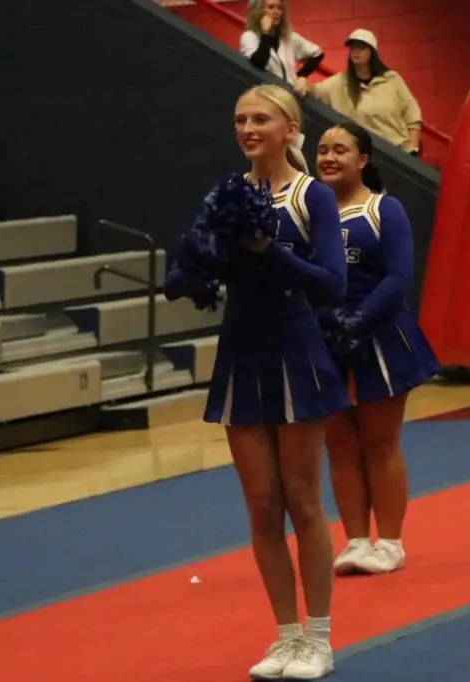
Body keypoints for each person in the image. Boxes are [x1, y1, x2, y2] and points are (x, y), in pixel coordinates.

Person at [164, 84, 348, 680]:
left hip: (296, 350)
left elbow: (333, 284)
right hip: (242, 354)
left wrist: (270, 251)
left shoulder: (312, 196)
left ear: (290, 128)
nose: (247, 128)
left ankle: (319, 638)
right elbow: (193, 270)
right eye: (240, 119)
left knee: (303, 500)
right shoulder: (227, 195)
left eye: (260, 119)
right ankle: (286, 636)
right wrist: (193, 268)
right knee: (262, 505)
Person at [314, 122, 440, 575]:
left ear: (363, 159)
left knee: (379, 442)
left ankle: (389, 542)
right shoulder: (309, 213)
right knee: (339, 445)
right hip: (325, 338)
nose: (329, 158)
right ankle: (354, 541)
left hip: (379, 337)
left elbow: (399, 276)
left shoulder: (384, 209)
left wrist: (360, 320)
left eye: (340, 150)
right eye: (322, 150)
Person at [301, 30, 422, 157]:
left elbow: (412, 114)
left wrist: (412, 148)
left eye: (361, 47)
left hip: (398, 152)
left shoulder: (392, 79)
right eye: (353, 48)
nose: (356, 51)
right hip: (364, 154)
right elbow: (316, 91)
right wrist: (303, 81)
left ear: (372, 52)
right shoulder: (340, 82)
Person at [240, 0, 324, 90]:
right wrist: (266, 33)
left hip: (289, 94)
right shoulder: (249, 36)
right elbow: (258, 63)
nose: (277, 12)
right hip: (266, 93)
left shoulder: (288, 37)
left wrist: (300, 76)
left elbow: (317, 53)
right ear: (258, 11)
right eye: (271, 7)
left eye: (279, 8)